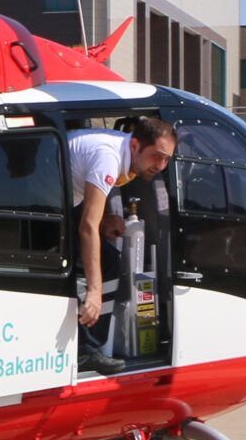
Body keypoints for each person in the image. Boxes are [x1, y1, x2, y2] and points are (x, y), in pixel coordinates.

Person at [66, 114, 178, 374]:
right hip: (42, 206)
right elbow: (87, 227)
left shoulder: (124, 152)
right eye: (156, 156)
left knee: (110, 263)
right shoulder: (109, 156)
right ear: (136, 145)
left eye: (166, 159)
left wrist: (106, 219)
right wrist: (95, 291)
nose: (160, 165)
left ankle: (89, 346)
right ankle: (85, 351)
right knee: (100, 266)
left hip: (62, 200)